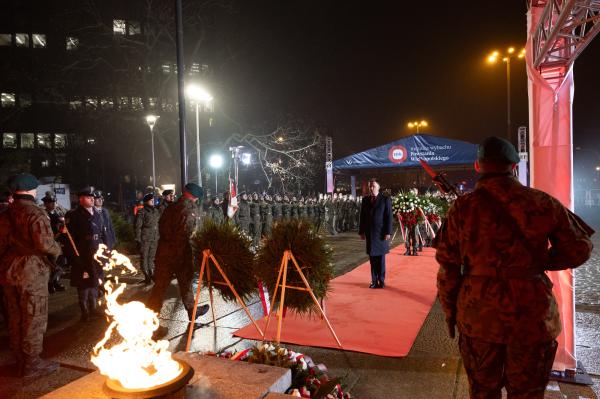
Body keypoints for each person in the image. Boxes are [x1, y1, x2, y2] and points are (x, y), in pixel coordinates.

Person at [434, 137, 594, 399]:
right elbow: (580, 247)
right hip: (531, 316)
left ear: (478, 166)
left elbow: (447, 268)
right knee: (528, 394)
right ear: (514, 167)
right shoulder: (541, 202)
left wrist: (451, 314)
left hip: (479, 318)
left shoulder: (462, 208)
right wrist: (541, 262)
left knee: (483, 392)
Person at [0, 173, 62, 378]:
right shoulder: (34, 213)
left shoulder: (6, 213)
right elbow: (44, 244)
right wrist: (58, 250)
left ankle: (20, 359)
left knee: (15, 316)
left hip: (8, 271)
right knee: (34, 315)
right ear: (31, 190)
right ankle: (32, 364)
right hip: (31, 271)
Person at [146, 183, 210, 336]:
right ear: (195, 197)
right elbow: (186, 234)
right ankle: (151, 326)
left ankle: (191, 312)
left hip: (164, 253)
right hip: (178, 254)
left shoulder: (171, 207)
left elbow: (162, 228)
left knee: (162, 288)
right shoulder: (187, 209)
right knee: (182, 284)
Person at [66, 187, 108, 322]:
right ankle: (84, 311)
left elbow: (103, 234)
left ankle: (94, 308)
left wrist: (106, 251)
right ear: (81, 199)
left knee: (95, 282)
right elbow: (68, 239)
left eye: (93, 197)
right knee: (83, 284)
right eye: (89, 197)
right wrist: (74, 258)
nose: (92, 199)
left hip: (97, 254)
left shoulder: (97, 213)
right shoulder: (73, 215)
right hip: (82, 255)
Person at [359, 179, 392, 289]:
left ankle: (381, 281)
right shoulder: (365, 200)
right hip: (370, 233)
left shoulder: (385, 199)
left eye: (373, 186)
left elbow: (389, 217)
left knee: (381, 258)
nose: (371, 188)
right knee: (372, 258)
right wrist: (361, 231)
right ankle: (374, 280)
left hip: (381, 233)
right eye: (370, 186)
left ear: (378, 187)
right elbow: (362, 217)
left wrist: (388, 232)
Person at [41, 194, 67, 293]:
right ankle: (50, 284)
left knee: (61, 262)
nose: (53, 204)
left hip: (59, 242)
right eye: (50, 202)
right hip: (49, 242)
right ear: (46, 204)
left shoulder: (57, 214)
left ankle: (56, 281)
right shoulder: (43, 215)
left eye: (54, 202)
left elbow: (63, 228)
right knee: (51, 265)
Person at [135, 193, 160, 285]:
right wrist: (138, 239)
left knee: (151, 257)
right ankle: (147, 276)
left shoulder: (156, 211)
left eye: (154, 200)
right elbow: (138, 227)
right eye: (151, 200)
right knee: (144, 257)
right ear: (146, 202)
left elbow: (158, 224)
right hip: (145, 238)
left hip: (154, 237)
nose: (153, 202)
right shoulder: (142, 212)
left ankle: (151, 273)